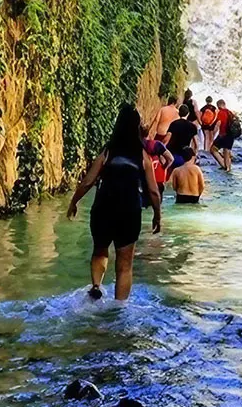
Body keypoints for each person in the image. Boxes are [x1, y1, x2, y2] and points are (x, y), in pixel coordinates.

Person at [67, 104, 161, 300]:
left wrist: (74, 202)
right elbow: (153, 190)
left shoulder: (108, 152)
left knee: (100, 250)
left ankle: (96, 286)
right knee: (125, 265)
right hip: (129, 211)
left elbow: (88, 182)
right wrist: (157, 215)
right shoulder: (142, 156)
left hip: (103, 208)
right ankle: (119, 309)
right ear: (136, 127)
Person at [140, 124, 173, 197]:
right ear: (148, 132)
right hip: (157, 179)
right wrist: (165, 167)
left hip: (141, 181)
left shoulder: (133, 146)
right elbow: (170, 159)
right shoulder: (156, 144)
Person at [209, 99, 237, 172]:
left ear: (219, 105)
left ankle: (224, 166)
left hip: (223, 135)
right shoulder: (230, 112)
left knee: (213, 149)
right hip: (231, 135)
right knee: (227, 151)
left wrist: (213, 134)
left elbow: (218, 124)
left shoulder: (221, 112)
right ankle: (228, 168)